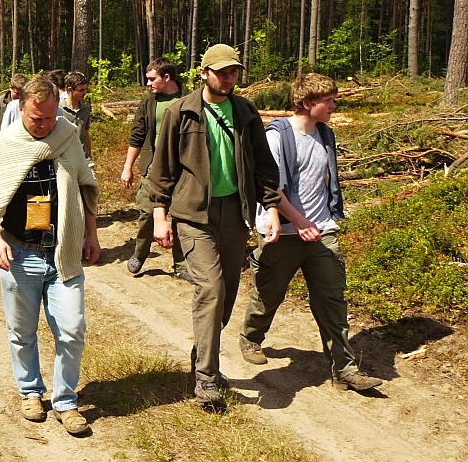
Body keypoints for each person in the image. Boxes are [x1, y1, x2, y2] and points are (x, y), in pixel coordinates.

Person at [146, 43, 281, 404]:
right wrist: (160, 215)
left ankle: (201, 355)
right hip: (193, 214)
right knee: (211, 288)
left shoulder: (245, 112)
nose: (228, 78)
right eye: (221, 72)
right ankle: (206, 379)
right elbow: (162, 168)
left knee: (228, 294)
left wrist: (271, 209)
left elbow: (264, 166)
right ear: (204, 73)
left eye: (233, 71)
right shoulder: (181, 112)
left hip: (235, 213)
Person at [0, 75, 100, 435]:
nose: (44, 125)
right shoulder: (5, 145)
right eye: (35, 118)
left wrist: (91, 233)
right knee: (22, 331)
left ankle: (65, 400)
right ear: (20, 109)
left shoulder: (67, 135)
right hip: (19, 254)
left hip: (63, 251)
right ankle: (30, 391)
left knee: (72, 330)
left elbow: (85, 186)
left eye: (50, 117)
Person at [238, 74, 383, 392]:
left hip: (321, 232)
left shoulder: (325, 134)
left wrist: (322, 218)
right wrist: (298, 221)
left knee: (332, 300)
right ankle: (250, 337)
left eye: (333, 100)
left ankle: (345, 370)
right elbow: (270, 187)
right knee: (269, 293)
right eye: (328, 100)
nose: (334, 106)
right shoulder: (277, 137)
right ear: (307, 103)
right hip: (282, 232)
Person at [122, 58, 188, 279]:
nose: (148, 84)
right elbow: (137, 135)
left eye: (152, 79)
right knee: (148, 212)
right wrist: (128, 167)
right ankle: (140, 253)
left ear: (167, 77)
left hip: (183, 168)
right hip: (154, 167)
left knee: (182, 215)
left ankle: (182, 265)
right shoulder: (148, 102)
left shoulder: (190, 99)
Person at [61, 71, 93, 159]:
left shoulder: (85, 110)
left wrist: (89, 157)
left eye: (86, 89)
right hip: (66, 158)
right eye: (81, 90)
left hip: (84, 158)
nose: (85, 92)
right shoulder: (58, 109)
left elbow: (86, 135)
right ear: (70, 90)